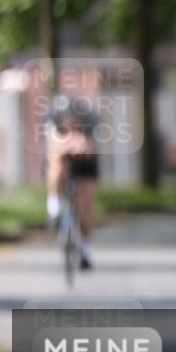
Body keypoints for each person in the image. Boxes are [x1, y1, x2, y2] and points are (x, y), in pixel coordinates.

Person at [45, 97, 98, 270]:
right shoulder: (52, 118)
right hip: (62, 156)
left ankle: (86, 250)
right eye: (66, 120)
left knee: (85, 206)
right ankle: (54, 203)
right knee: (56, 161)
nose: (70, 123)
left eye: (74, 120)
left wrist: (79, 144)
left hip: (85, 161)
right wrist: (67, 144)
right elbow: (52, 144)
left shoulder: (90, 119)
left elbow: (89, 148)